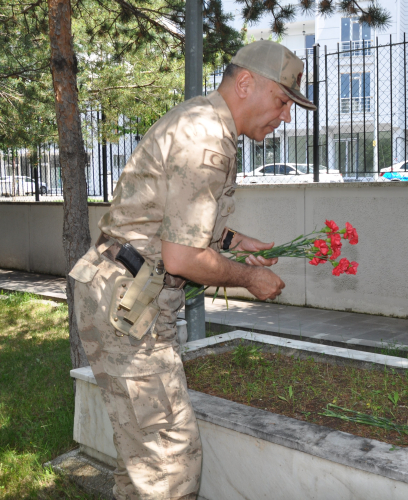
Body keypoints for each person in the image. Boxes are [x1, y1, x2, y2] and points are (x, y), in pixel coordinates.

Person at [67, 40, 315, 500]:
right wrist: (249, 278)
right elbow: (182, 258)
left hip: (127, 300)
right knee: (171, 466)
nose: (286, 116)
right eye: (282, 101)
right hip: (127, 308)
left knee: (143, 464)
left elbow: (175, 221)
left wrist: (235, 243)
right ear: (246, 83)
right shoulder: (206, 136)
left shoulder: (205, 123)